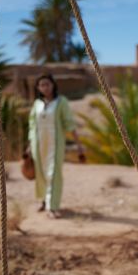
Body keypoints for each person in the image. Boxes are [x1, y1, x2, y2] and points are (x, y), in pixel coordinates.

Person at [28, 73, 86, 219]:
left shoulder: (61, 102)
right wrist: (28, 147)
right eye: (42, 85)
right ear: (38, 88)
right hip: (38, 143)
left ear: (53, 85)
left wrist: (79, 145)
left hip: (56, 144)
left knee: (54, 173)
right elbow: (32, 125)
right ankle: (43, 201)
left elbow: (69, 124)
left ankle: (52, 207)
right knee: (40, 172)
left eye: (47, 84)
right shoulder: (37, 104)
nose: (45, 87)